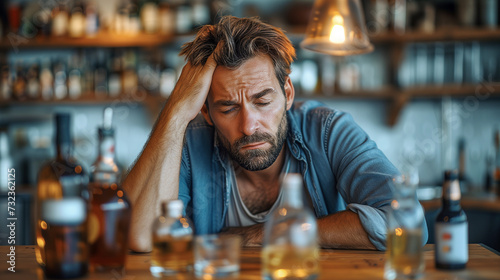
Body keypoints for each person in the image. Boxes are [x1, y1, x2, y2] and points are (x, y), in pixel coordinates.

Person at [123, 16, 428, 253]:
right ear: (206, 111)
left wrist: (265, 233)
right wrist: (175, 111)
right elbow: (139, 237)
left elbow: (406, 221)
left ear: (288, 94)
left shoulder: (327, 131)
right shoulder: (189, 140)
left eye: (263, 101)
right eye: (228, 108)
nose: (249, 125)